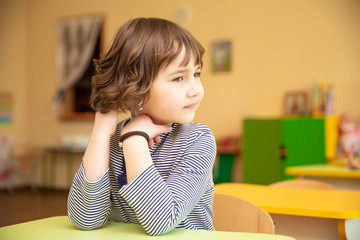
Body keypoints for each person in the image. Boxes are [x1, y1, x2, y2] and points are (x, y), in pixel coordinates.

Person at [67, 17, 217, 236]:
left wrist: (134, 140)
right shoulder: (111, 139)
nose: (195, 89)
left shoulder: (197, 140)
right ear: (134, 86)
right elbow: (84, 219)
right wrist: (100, 134)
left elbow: (162, 222)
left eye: (196, 74)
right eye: (178, 78)